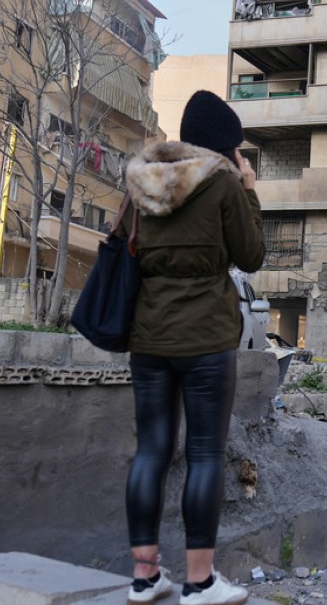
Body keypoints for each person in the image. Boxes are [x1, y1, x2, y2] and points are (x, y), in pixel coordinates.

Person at [120, 90, 265, 605]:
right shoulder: (223, 183)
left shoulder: (141, 180)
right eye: (236, 148)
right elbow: (251, 256)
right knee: (205, 454)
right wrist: (249, 191)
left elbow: (129, 250)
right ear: (224, 147)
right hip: (206, 338)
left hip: (149, 337)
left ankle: (144, 578)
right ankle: (199, 583)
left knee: (151, 451)